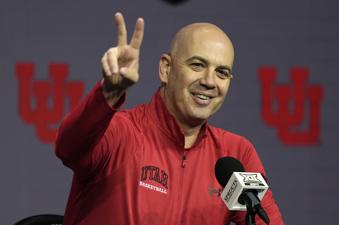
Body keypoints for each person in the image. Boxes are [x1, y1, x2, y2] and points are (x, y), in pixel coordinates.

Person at [55, 12, 284, 225]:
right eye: (197, 65)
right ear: (166, 68)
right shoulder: (120, 132)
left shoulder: (235, 154)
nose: (209, 81)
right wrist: (109, 93)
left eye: (222, 72)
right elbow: (68, 147)